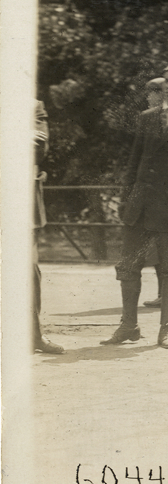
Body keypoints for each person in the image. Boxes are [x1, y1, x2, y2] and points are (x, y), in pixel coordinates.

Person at [101, 62, 168, 349]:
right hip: (140, 207)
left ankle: (165, 331)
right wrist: (125, 200)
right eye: (167, 82)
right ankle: (128, 326)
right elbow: (134, 163)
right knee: (128, 266)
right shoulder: (146, 118)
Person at [141, 76, 168, 310]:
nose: (148, 97)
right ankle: (165, 293)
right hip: (153, 195)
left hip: (167, 195)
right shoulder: (151, 119)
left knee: (167, 249)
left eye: (152, 93)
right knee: (156, 249)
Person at [33, 100, 64, 354]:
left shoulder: (33, 107)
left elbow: (38, 147)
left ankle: (33, 336)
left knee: (27, 270)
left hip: (18, 205)